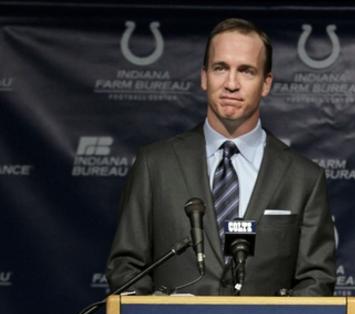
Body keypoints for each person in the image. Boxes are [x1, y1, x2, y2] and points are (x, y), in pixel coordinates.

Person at [107, 18, 335, 296]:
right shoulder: (154, 165)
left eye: (246, 71)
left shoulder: (304, 178)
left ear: (266, 83)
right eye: (220, 68)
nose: (231, 83)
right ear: (204, 77)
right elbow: (126, 266)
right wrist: (155, 311)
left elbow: (316, 280)